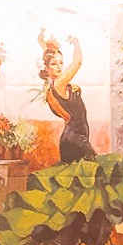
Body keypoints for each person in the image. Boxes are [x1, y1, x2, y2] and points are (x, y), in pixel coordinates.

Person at [39, 30, 95, 164]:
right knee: (94, 171)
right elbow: (77, 63)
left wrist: (43, 43)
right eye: (54, 64)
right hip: (74, 138)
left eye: (60, 63)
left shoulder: (59, 83)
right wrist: (76, 43)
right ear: (47, 69)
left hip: (77, 136)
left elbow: (47, 57)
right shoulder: (59, 83)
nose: (59, 67)